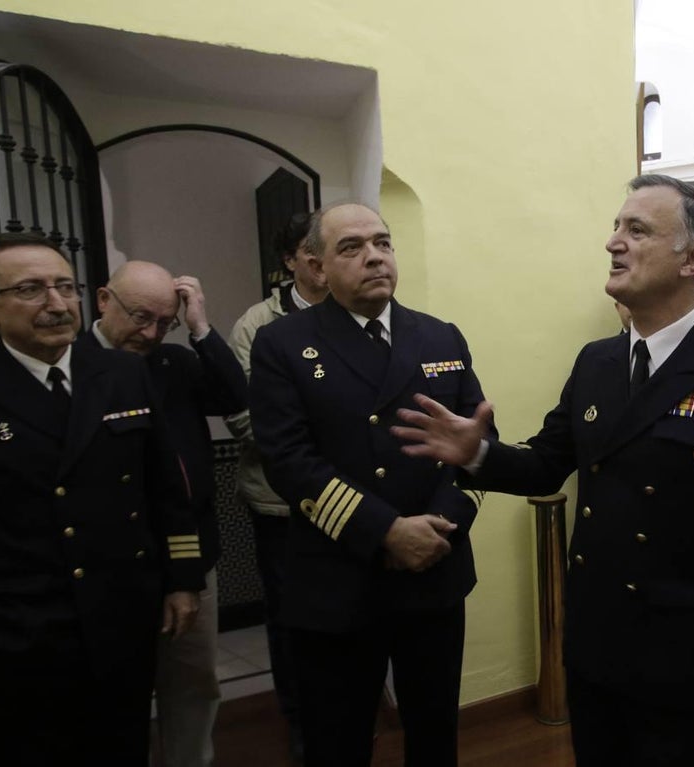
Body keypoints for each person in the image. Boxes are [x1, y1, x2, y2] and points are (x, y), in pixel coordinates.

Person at [392, 174, 694, 767]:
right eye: (616, 227)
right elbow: (544, 464)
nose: (614, 242)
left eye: (637, 230)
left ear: (692, 258)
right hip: (597, 639)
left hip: (687, 649)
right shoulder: (598, 360)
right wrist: (478, 455)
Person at [249, 202, 490, 767]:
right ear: (314, 267)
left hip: (435, 566)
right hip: (339, 576)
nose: (374, 256)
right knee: (339, 739)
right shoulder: (283, 344)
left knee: (434, 733)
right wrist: (386, 531)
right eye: (351, 247)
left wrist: (437, 528)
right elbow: (289, 462)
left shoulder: (440, 338)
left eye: (382, 242)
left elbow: (477, 448)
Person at [0, 232, 205, 765]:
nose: (57, 304)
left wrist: (181, 581)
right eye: (31, 290)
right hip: (21, 626)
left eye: (65, 286)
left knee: (122, 742)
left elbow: (166, 488)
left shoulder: (121, 373)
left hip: (120, 614)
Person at [83, 260, 247, 767]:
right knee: (110, 696)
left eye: (164, 322)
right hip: (108, 566)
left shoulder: (173, 362)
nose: (150, 333)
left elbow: (234, 398)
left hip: (190, 553)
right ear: (104, 300)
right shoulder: (71, 361)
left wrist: (199, 328)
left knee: (193, 685)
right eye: (139, 317)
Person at [225, 212, 329, 758]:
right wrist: (322, 441)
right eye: (309, 252)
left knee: (344, 614)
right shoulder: (257, 325)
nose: (321, 261)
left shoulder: (352, 312)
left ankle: (342, 713)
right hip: (281, 505)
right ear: (290, 260)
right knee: (291, 620)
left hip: (348, 502)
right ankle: (299, 722)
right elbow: (251, 420)